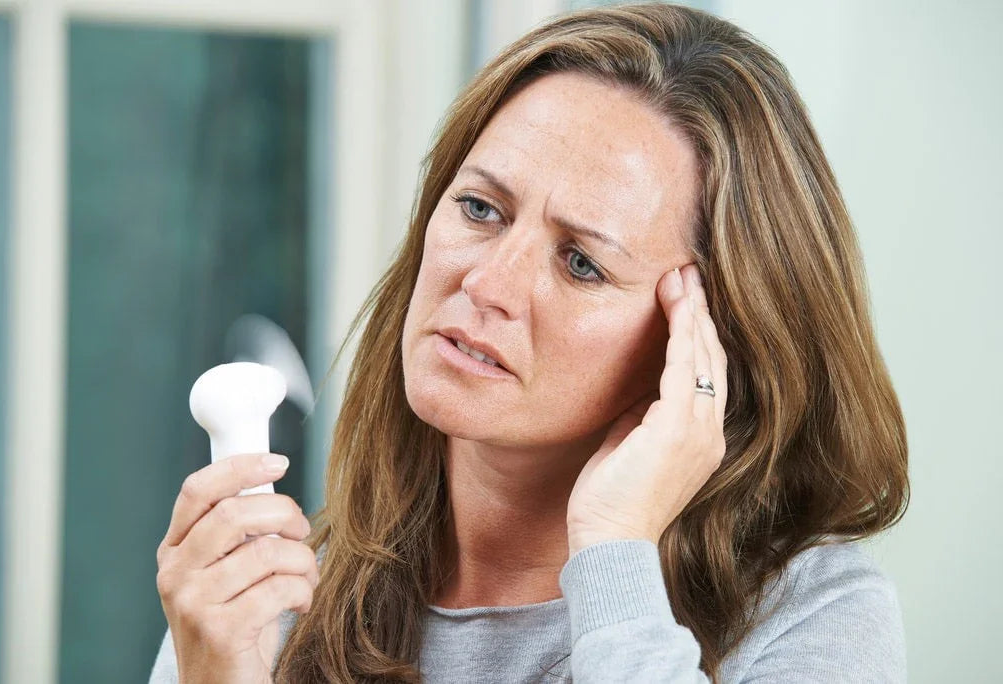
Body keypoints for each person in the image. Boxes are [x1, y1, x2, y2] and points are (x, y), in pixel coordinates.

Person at [150, 2, 909, 682]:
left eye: (581, 262)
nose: (487, 283)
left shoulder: (811, 621)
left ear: (705, 344)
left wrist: (615, 550)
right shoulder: (269, 602)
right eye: (480, 208)